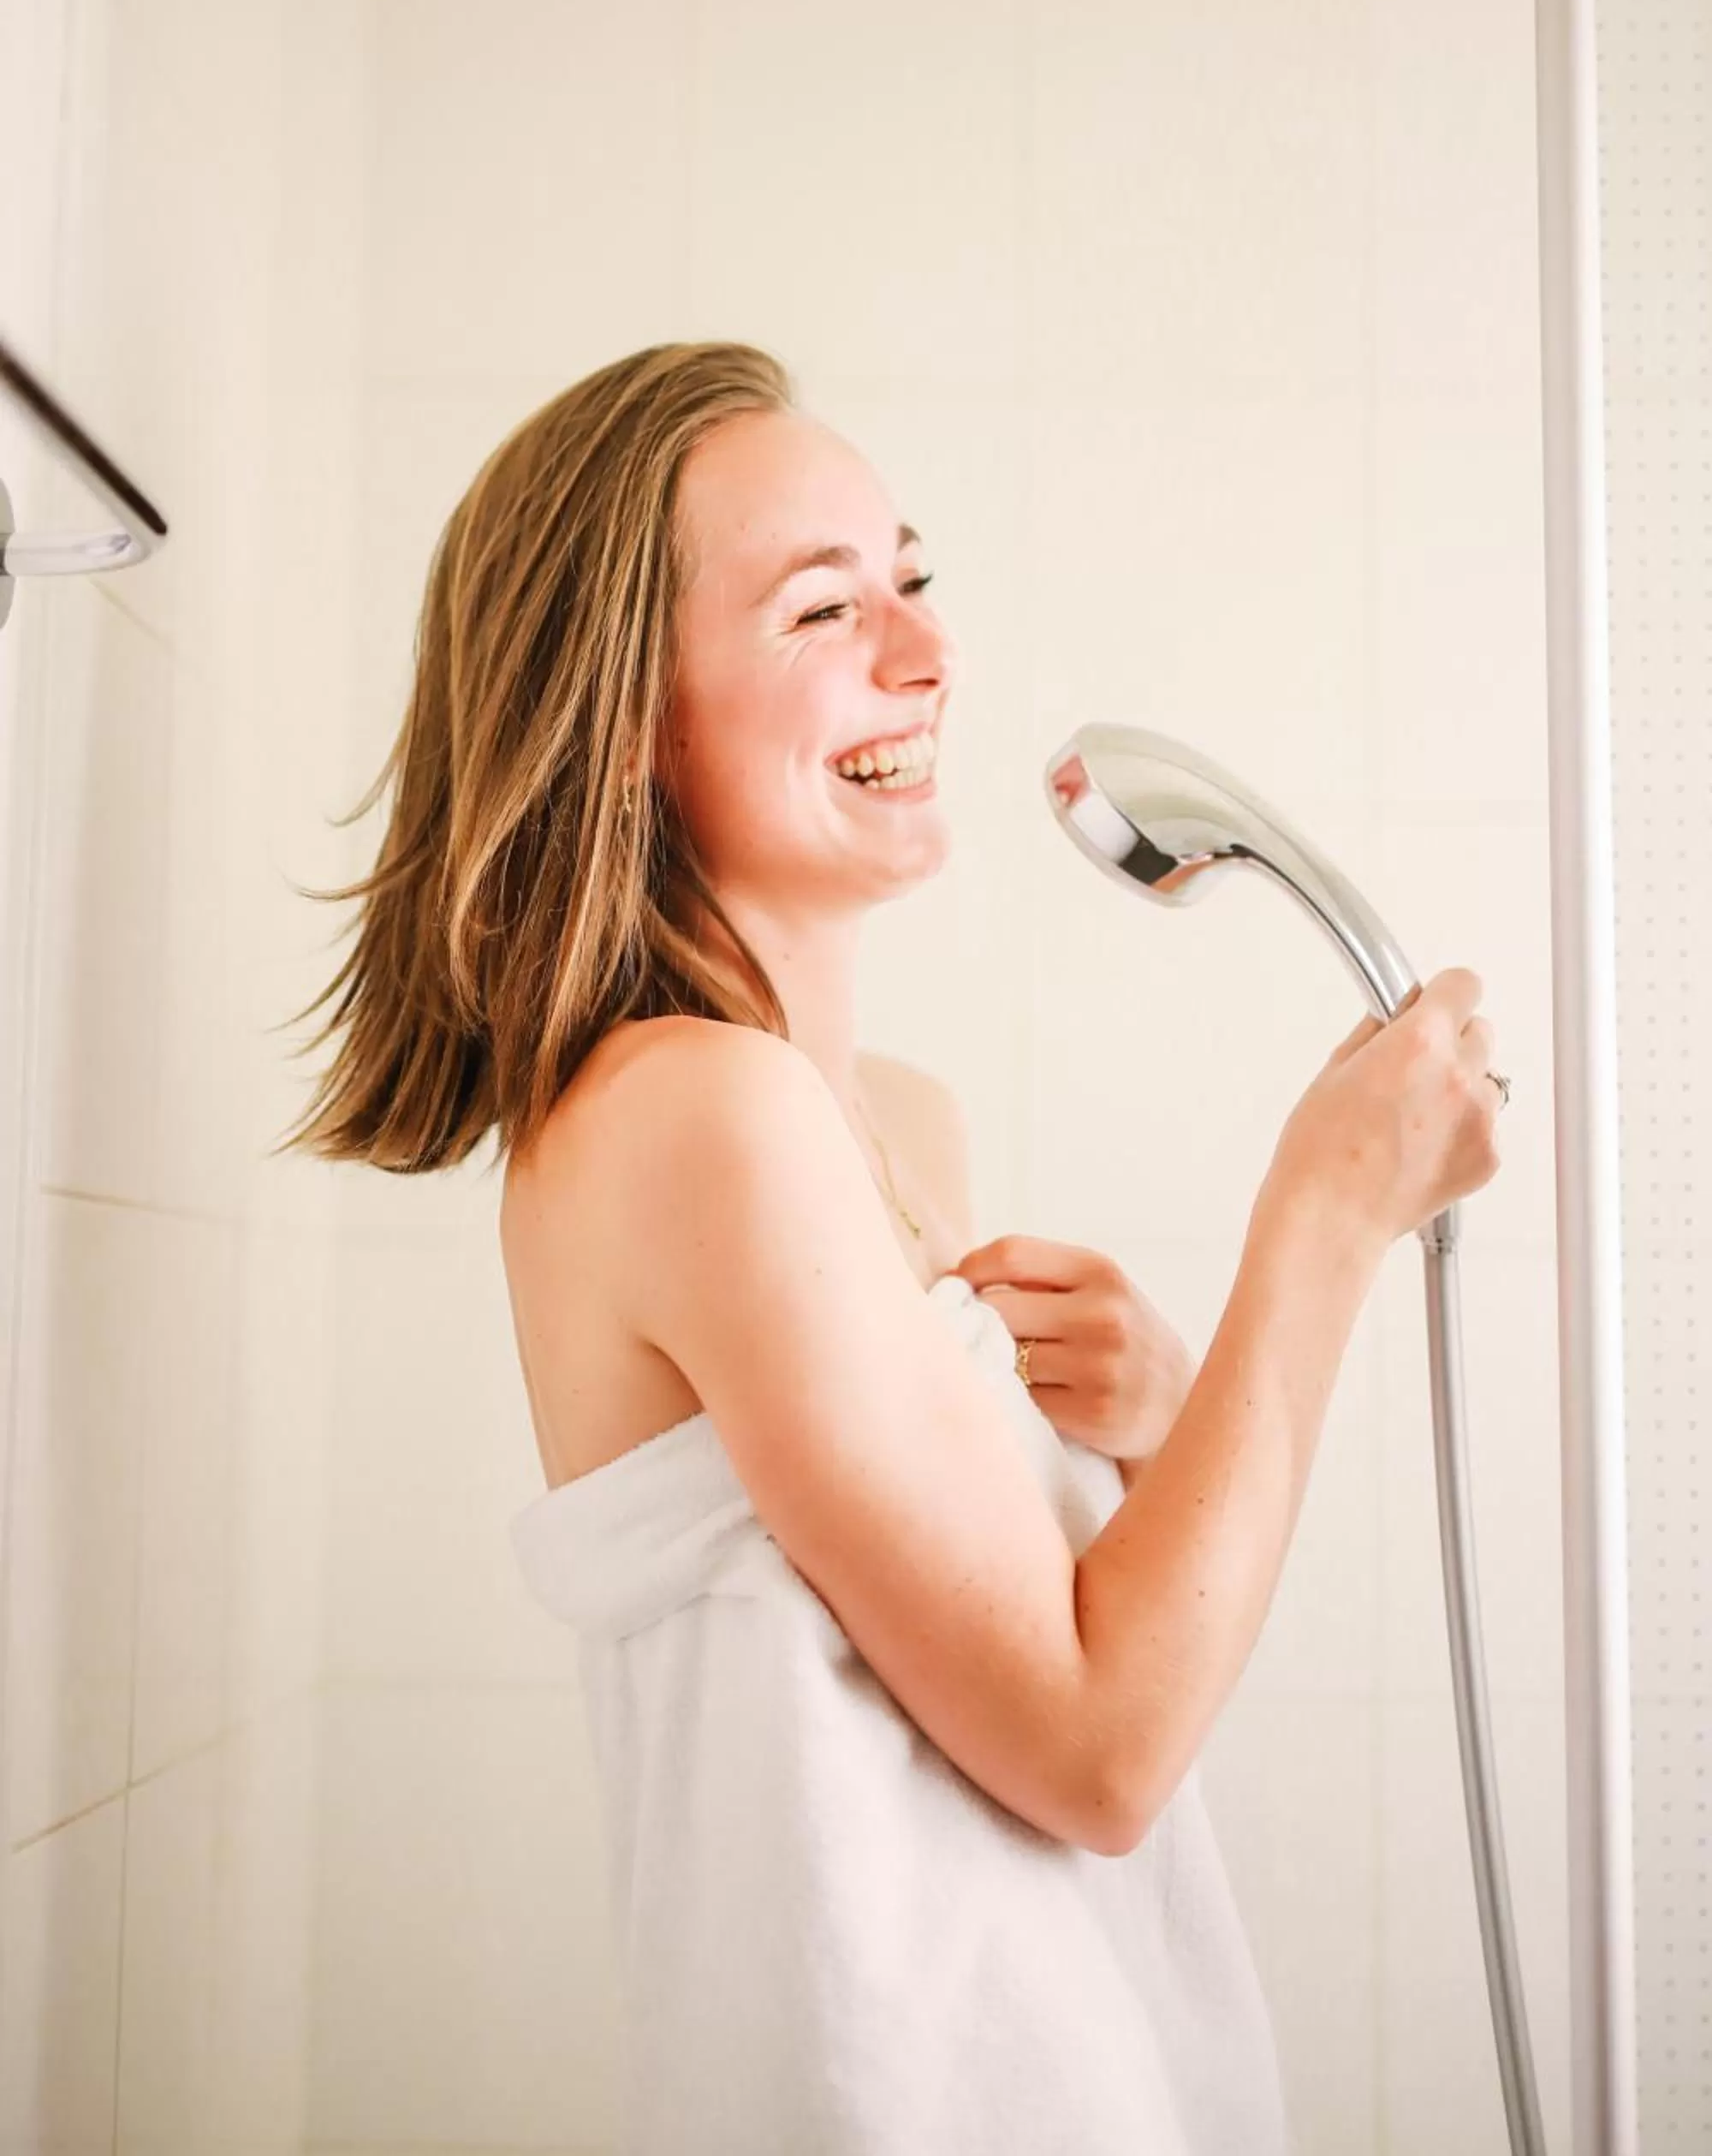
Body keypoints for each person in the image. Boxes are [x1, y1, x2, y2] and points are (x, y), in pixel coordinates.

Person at [277, 338, 1506, 2154]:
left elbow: (1028, 1679)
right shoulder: (696, 1113)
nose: (926, 657)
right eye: (820, 611)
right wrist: (1320, 1219)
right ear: (626, 718)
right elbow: (1096, 1751)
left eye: (911, 584)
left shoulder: (887, 1124)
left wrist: (1166, 1433)